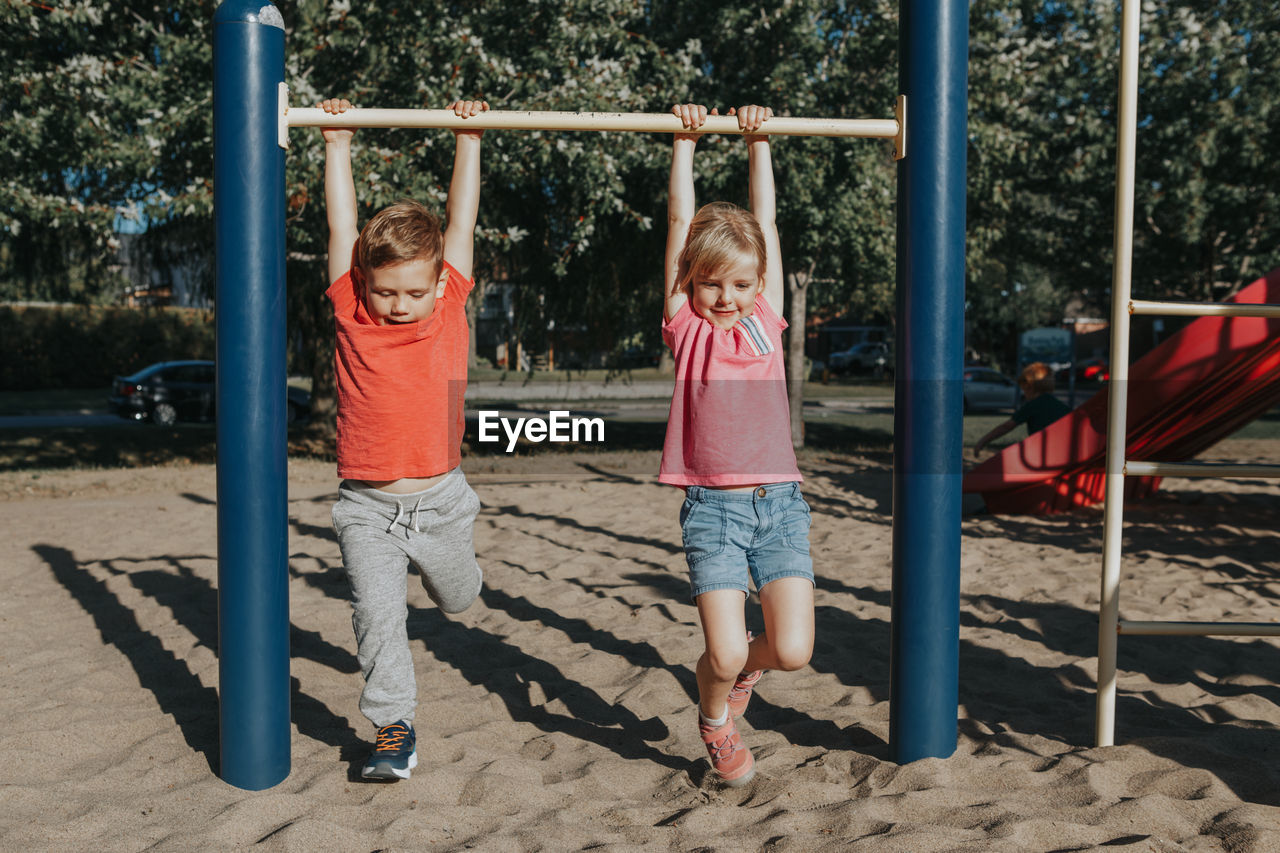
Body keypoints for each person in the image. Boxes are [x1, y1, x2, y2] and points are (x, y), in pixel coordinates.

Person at [318, 96, 488, 781]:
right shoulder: (352, 308)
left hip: (442, 499)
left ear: (439, 281)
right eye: (386, 291)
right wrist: (336, 143)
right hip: (367, 507)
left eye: (412, 292)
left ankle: (461, 574)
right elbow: (341, 223)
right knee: (376, 616)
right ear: (364, 281)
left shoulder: (447, 303)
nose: (397, 305)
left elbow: (461, 220)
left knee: (458, 599)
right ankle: (394, 727)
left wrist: (468, 138)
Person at [660, 103, 815, 787]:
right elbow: (678, 226)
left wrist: (761, 144)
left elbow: (767, 226)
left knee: (792, 647)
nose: (726, 296)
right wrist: (683, 146)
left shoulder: (767, 321)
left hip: (778, 503)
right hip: (713, 511)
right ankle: (716, 720)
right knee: (720, 654)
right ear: (690, 280)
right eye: (711, 282)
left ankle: (744, 671)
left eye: (741, 284)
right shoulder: (686, 327)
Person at [973, 361, 1073, 455]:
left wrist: (983, 441)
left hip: (1043, 454)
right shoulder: (1059, 405)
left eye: (1024, 389)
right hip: (1063, 451)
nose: (1024, 394)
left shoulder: (1033, 405)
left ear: (1029, 386)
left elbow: (1007, 427)